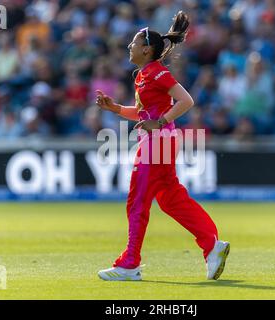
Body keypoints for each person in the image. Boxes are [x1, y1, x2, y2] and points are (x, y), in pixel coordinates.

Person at [95, 11, 230, 281]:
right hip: (161, 141)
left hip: (158, 142)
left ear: (146, 49)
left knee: (138, 201)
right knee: (170, 199)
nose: (129, 47)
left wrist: (160, 121)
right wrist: (117, 108)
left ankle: (130, 263)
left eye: (133, 43)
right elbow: (144, 113)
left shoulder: (157, 72)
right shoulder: (143, 75)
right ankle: (212, 244)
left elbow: (186, 100)